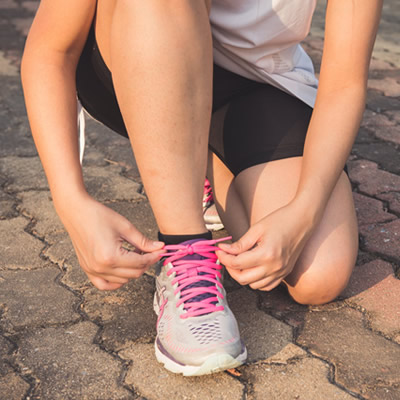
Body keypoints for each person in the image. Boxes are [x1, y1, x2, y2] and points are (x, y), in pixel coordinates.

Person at [21, 0, 383, 376]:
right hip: (136, 46)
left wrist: (303, 212)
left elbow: (345, 82)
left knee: (317, 275)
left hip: (256, 81)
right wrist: (71, 200)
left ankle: (194, 164)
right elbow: (51, 50)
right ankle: (185, 253)